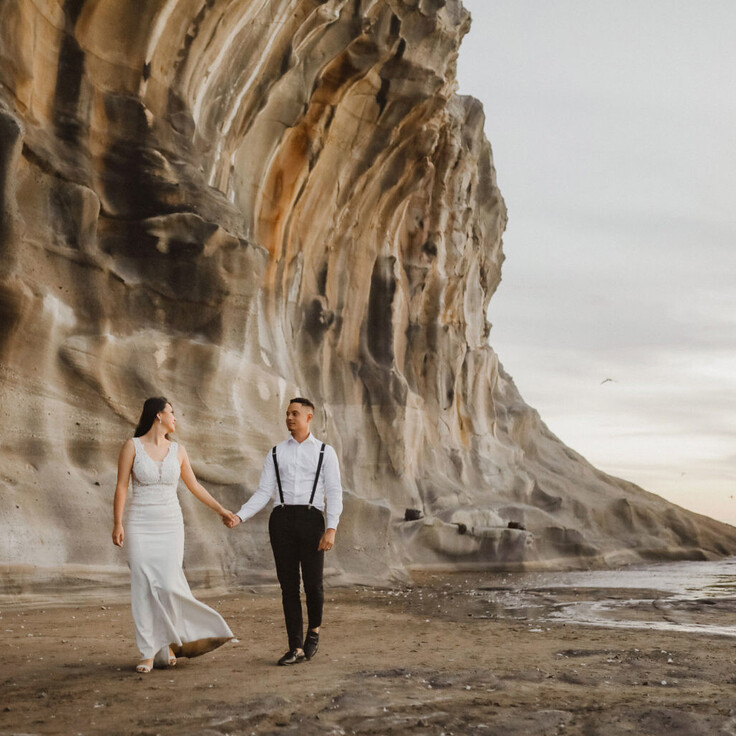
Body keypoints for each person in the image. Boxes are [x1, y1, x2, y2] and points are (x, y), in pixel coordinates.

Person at [112, 396, 236, 673]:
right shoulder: (132, 446)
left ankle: (170, 643)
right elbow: (121, 487)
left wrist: (221, 509)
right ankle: (148, 652)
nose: (175, 418)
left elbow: (195, 486)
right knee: (143, 586)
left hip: (170, 524)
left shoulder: (178, 450)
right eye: (171, 412)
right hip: (140, 523)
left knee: (168, 586)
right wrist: (117, 523)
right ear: (158, 415)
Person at [225, 397, 343, 665]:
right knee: (289, 587)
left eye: (295, 413)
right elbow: (264, 492)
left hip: (312, 519)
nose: (289, 418)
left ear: (309, 417)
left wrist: (331, 528)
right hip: (281, 521)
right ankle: (295, 647)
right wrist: (240, 516)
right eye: (287, 413)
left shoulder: (325, 452)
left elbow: (334, 491)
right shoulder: (276, 452)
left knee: (313, 584)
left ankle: (314, 631)